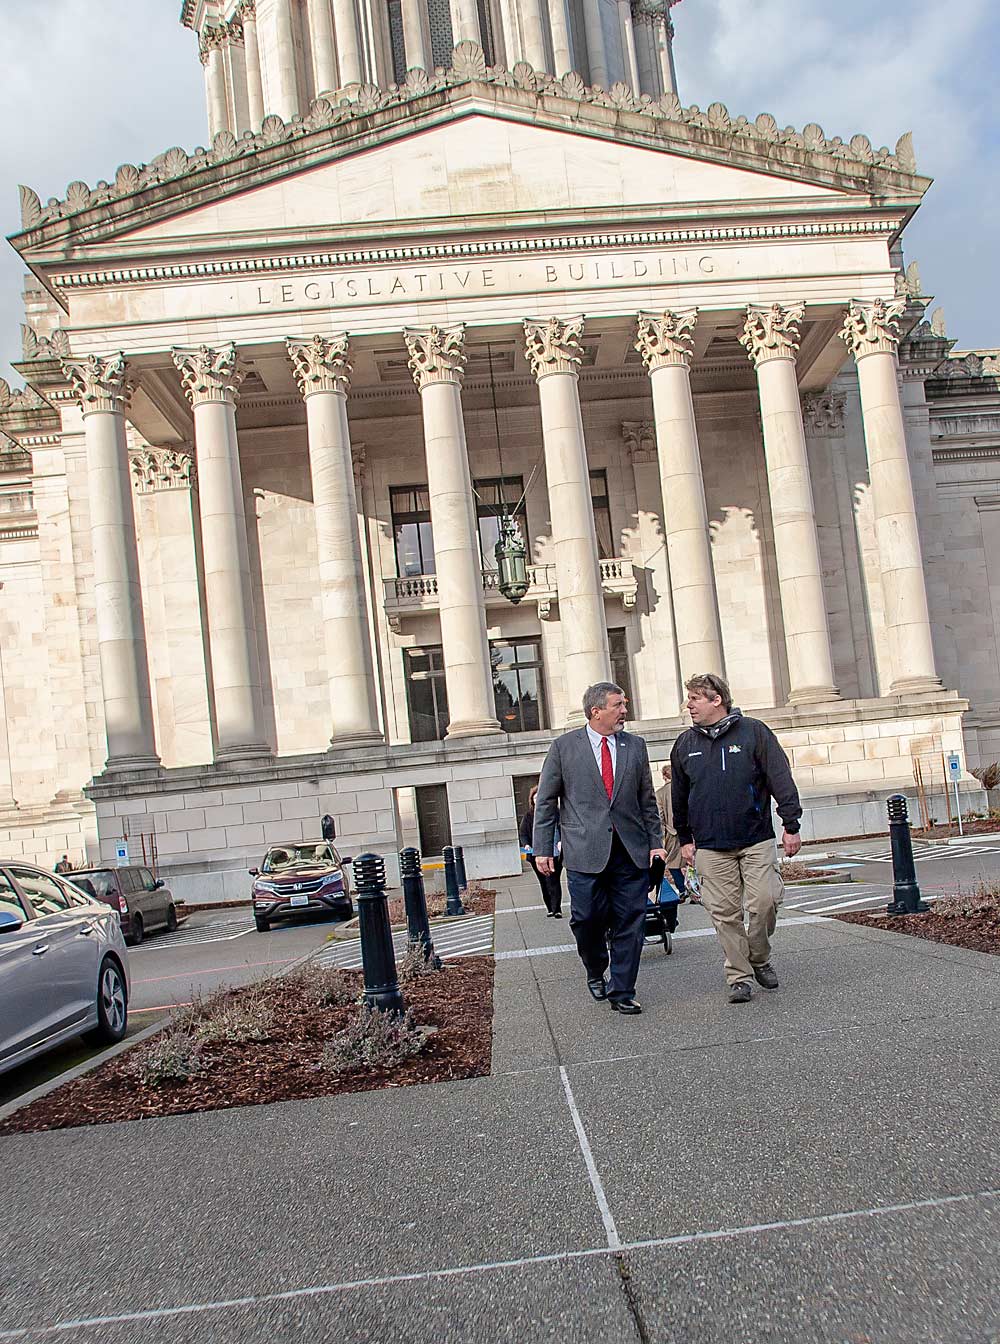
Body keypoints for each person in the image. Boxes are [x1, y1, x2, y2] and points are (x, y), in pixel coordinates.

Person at [534, 682, 667, 1016]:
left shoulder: (635, 746)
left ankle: (622, 990)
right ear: (596, 711)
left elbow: (647, 802)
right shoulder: (564, 747)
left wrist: (656, 845)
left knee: (631, 920)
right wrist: (542, 848)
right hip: (584, 852)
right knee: (586, 919)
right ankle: (596, 969)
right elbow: (547, 802)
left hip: (630, 851)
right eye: (618, 705)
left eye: (624, 704)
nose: (625, 710)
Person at [671, 672, 802, 1005]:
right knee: (724, 914)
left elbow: (780, 778)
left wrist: (791, 823)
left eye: (696, 698)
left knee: (765, 902)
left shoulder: (754, 732)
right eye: (689, 699)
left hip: (755, 838)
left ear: (717, 700)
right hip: (711, 846)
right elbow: (680, 796)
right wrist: (684, 837)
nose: (690, 705)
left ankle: (758, 958)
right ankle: (739, 977)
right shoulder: (685, 744)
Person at [520, 785, 564, 918]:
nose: (537, 800)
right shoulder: (529, 816)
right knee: (544, 882)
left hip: (555, 852)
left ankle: (557, 909)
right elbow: (523, 833)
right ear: (532, 800)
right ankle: (550, 908)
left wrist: (561, 841)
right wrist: (526, 845)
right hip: (535, 853)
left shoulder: (556, 812)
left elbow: (562, 827)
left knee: (554, 880)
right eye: (535, 797)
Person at [655, 763, 688, 903]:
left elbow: (660, 816)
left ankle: (682, 889)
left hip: (672, 832)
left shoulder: (660, 794)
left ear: (664, 776)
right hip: (689, 829)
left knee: (673, 863)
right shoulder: (684, 788)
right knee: (692, 861)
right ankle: (697, 890)